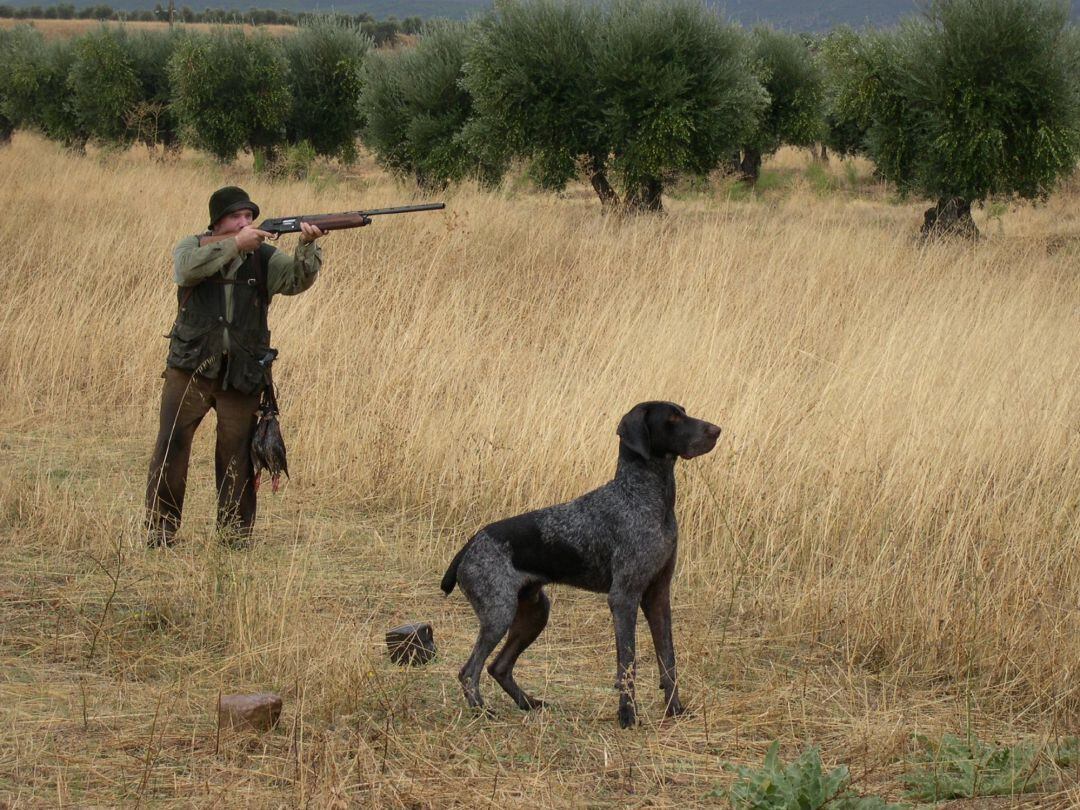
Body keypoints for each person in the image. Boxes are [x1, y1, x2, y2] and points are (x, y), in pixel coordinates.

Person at [146, 186, 327, 547]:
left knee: (237, 456)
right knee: (171, 447)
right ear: (217, 221)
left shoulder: (263, 257)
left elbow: (295, 280)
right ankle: (160, 533)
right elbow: (185, 272)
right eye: (236, 217)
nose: (245, 223)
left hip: (242, 371)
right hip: (191, 366)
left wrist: (307, 246)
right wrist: (234, 245)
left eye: (249, 217)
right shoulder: (191, 246)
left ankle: (234, 538)